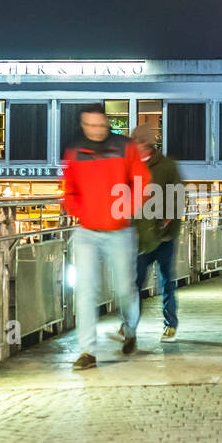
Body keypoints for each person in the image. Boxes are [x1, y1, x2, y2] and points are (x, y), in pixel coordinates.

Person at [61, 104, 147, 370]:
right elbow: (68, 191)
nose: (97, 131)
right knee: (86, 290)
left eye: (101, 125)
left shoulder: (125, 148)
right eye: (91, 126)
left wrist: (126, 208)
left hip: (120, 230)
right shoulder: (74, 152)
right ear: (83, 126)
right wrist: (81, 212)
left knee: (125, 289)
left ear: (107, 123)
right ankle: (88, 351)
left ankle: (130, 330)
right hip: (87, 231)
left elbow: (141, 182)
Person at [128, 122, 183, 341]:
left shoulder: (167, 166)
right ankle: (130, 325)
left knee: (166, 281)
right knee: (134, 283)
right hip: (140, 237)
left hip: (163, 236)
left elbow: (177, 196)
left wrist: (167, 224)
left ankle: (170, 324)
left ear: (146, 144)